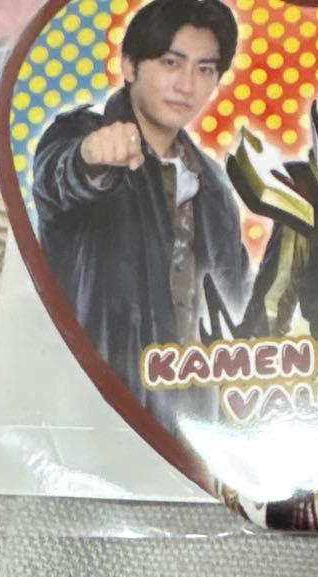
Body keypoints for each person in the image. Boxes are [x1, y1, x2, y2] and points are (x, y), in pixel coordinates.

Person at [33, 0, 248, 429]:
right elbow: (60, 177)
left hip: (197, 424)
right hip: (96, 412)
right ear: (129, 65)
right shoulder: (80, 136)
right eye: (171, 62)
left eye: (205, 69)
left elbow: (237, 304)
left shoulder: (214, 189)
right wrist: (91, 157)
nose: (186, 85)